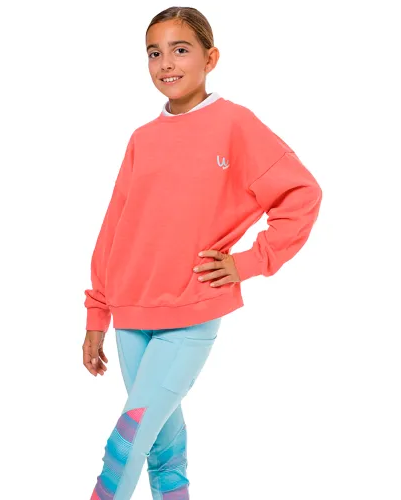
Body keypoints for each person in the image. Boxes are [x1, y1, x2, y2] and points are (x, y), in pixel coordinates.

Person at [83, 6, 323, 499]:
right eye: (154, 53)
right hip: (130, 314)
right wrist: (97, 312)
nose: (166, 63)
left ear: (210, 58)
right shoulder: (142, 138)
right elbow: (115, 227)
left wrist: (248, 262)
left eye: (180, 50)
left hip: (190, 312)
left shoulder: (235, 124)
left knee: (125, 444)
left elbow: (301, 194)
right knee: (162, 450)